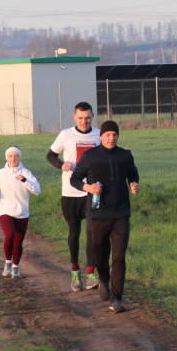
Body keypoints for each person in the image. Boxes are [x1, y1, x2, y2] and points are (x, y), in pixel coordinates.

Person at [69, 120, 140, 313]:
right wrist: (89, 187)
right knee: (100, 251)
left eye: (115, 135)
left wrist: (134, 184)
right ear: (101, 136)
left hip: (120, 213)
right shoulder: (90, 157)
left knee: (119, 257)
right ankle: (103, 278)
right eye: (108, 135)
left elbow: (133, 173)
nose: (112, 138)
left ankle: (116, 299)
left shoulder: (125, 156)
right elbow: (74, 179)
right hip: (98, 214)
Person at [46, 101, 100, 292]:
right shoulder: (66, 135)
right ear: (74, 117)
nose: (84, 121)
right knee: (74, 233)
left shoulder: (99, 135)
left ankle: (92, 274)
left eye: (87, 118)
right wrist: (62, 165)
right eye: (80, 118)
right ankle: (75, 272)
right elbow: (50, 155)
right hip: (70, 192)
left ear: (92, 117)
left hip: (91, 192)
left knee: (92, 232)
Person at [0, 146, 41, 279]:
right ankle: (8, 263)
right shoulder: (0, 173)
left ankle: (15, 267)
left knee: (18, 242)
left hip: (23, 212)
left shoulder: (26, 173)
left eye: (16, 156)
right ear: (6, 158)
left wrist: (24, 180)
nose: (13, 159)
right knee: (10, 235)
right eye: (10, 156)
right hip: (6, 210)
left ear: (19, 158)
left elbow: (37, 190)